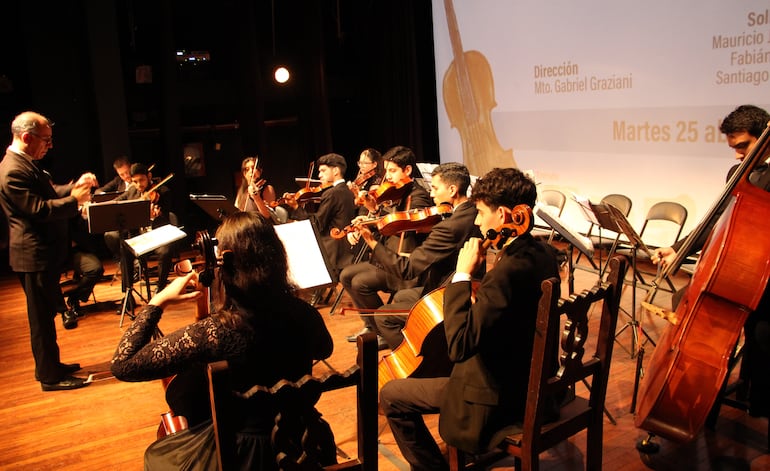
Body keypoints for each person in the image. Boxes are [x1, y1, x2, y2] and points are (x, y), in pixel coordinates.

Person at [111, 211, 334, 470]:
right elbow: (325, 349)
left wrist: (156, 302)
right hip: (304, 439)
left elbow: (122, 365)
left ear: (225, 264)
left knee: (157, 457)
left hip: (247, 454)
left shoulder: (217, 332)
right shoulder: (305, 313)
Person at [379, 167, 561, 470]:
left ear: (503, 215)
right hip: (531, 381)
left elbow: (460, 347)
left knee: (392, 394)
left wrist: (462, 275)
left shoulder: (506, 273)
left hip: (498, 399)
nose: (477, 222)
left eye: (479, 212)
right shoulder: (543, 254)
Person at [652, 104, 770, 420]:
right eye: (733, 148)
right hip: (739, 278)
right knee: (683, 300)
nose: (736, 156)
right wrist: (680, 248)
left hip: (767, 282)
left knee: (763, 340)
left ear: (766, 137)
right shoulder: (738, 173)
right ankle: (699, 396)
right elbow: (718, 218)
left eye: (743, 146)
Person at [0, 111, 97, 391]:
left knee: (45, 316)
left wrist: (75, 187)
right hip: (33, 255)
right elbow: (39, 209)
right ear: (27, 137)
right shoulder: (14, 169)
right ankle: (50, 377)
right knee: (41, 320)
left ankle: (50, 366)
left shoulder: (24, 163)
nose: (50, 145)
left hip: (40, 254)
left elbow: (50, 191)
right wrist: (74, 200)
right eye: (46, 140)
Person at [359, 162, 481, 350]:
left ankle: (418, 359)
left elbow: (406, 269)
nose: (431, 194)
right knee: (401, 296)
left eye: (434, 188)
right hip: (466, 284)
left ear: (452, 189)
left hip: (448, 292)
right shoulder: (474, 212)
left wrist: (372, 242)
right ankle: (422, 338)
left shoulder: (448, 228)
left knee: (382, 315)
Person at [341, 146, 432, 343]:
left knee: (360, 282)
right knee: (346, 275)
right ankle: (372, 326)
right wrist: (371, 215)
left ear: (407, 170)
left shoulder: (418, 196)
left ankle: (382, 331)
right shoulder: (396, 193)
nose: (388, 177)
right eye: (386, 171)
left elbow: (398, 223)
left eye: (392, 171)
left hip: (402, 263)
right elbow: (386, 221)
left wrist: (373, 220)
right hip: (387, 256)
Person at [104, 163, 176, 300]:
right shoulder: (132, 192)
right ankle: (128, 293)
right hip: (140, 237)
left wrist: (154, 216)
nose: (138, 185)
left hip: (158, 235)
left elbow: (167, 217)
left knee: (166, 251)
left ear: (149, 176)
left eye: (141, 180)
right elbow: (116, 202)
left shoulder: (163, 192)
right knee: (124, 248)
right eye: (135, 181)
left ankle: (160, 289)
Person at [283, 153, 357, 282]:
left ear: (335, 170)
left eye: (323, 171)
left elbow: (316, 224)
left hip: (332, 251)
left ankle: (312, 291)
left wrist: (296, 207)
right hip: (344, 249)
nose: (319, 175)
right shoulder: (347, 191)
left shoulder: (332, 193)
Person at [234, 156, 278, 222]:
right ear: (244, 174)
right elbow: (237, 210)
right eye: (247, 169)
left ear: (260, 171)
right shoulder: (242, 190)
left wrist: (256, 197)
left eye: (253, 168)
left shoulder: (268, 189)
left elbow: (267, 216)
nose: (251, 171)